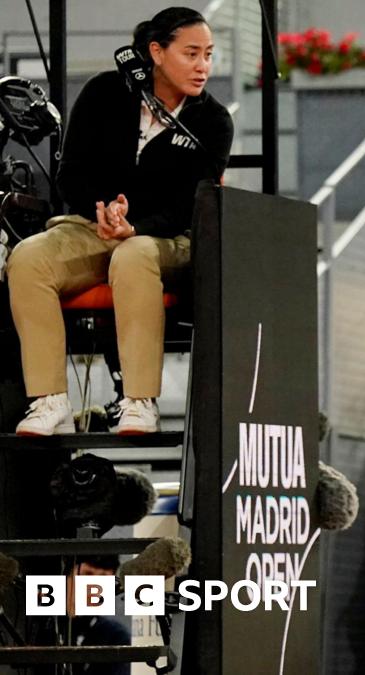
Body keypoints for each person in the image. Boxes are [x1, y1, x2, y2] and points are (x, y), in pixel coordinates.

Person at [7, 6, 233, 436]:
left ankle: (139, 400)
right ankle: (50, 401)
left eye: (209, 54)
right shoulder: (104, 93)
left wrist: (137, 227)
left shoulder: (214, 121)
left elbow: (192, 204)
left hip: (168, 238)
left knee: (133, 254)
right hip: (94, 226)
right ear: (156, 52)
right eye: (191, 54)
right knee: (28, 256)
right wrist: (103, 211)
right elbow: (70, 173)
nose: (203, 66)